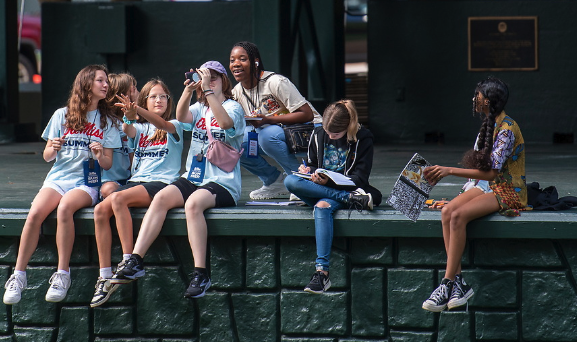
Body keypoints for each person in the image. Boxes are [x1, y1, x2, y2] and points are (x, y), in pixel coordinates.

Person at [110, 61, 245, 299]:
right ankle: (136, 260)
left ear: (224, 81)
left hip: (223, 181)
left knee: (193, 204)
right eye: (206, 77)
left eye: (214, 78)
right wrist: (190, 89)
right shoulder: (199, 107)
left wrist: (210, 91)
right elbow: (181, 116)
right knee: (161, 197)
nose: (208, 82)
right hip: (194, 176)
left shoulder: (233, 107)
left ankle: (201, 273)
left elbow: (225, 123)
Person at [3, 65, 122, 305]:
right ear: (87, 83)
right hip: (58, 178)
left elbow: (108, 164)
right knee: (35, 212)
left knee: (66, 207)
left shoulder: (107, 120)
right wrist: (52, 147)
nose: (106, 85)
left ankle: (62, 274)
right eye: (100, 80)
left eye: (106, 81)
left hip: (86, 182)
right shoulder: (62, 115)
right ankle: (18, 275)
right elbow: (47, 156)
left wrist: (99, 155)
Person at [421, 76, 528, 312]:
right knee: (449, 210)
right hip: (485, 187)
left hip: (507, 190)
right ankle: (459, 284)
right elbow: (479, 177)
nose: (474, 99)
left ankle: (447, 282)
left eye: (477, 96)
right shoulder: (486, 129)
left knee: (458, 217)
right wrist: (460, 196)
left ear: (488, 101)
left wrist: (449, 170)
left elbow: (491, 173)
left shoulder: (508, 128)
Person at [90, 78, 184, 308]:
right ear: (145, 100)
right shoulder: (140, 128)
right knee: (101, 210)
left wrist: (137, 108)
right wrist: (130, 115)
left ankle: (129, 261)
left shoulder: (175, 125)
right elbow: (128, 127)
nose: (159, 100)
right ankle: (104, 276)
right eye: (153, 96)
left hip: (162, 184)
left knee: (118, 198)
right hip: (136, 182)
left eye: (163, 96)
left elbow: (162, 124)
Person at [283, 99, 381, 294]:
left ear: (348, 127)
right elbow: (311, 162)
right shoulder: (318, 133)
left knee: (322, 207)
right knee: (290, 181)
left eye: (335, 134)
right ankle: (349, 200)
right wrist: (308, 169)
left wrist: (327, 183)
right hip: (337, 192)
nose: (330, 136)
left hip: (345, 188)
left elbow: (360, 179)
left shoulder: (363, 138)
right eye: (327, 132)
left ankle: (322, 273)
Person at [228, 41, 320, 200]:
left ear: (255, 62)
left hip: (311, 129)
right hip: (276, 132)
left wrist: (267, 120)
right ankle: (274, 181)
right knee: (236, 142)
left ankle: (301, 181)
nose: (236, 64)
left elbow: (307, 114)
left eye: (242, 59)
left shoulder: (275, 82)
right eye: (232, 60)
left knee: (267, 135)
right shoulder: (237, 91)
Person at [101, 72, 138, 199]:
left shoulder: (139, 121)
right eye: (133, 90)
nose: (137, 93)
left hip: (133, 179)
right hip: (109, 180)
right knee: (109, 190)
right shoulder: (104, 121)